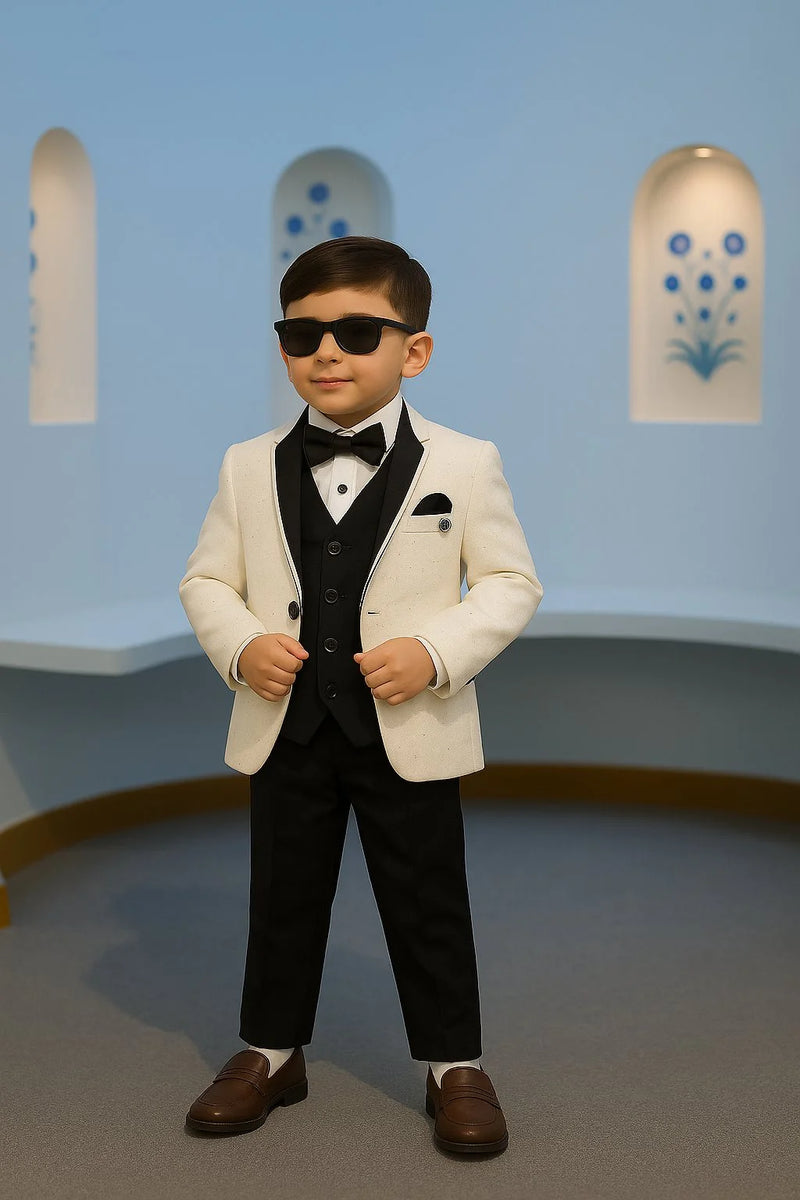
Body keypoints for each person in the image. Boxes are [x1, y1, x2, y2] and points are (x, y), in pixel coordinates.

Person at [178, 235, 543, 1154]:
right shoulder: (244, 465)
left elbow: (509, 582)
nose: (326, 352)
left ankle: (453, 1065)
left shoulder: (465, 462)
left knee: (427, 898)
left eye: (354, 330)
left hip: (410, 726)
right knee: (283, 895)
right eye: (303, 335)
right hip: (289, 727)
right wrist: (241, 644)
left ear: (413, 350)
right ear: (283, 348)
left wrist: (434, 649)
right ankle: (271, 1049)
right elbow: (206, 582)